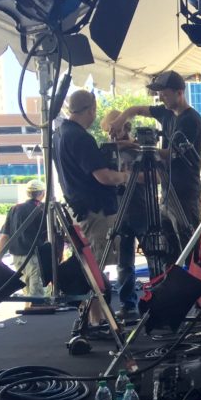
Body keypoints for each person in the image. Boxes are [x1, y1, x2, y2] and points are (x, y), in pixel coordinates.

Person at [53, 90, 131, 330]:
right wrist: (126, 176)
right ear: (90, 110)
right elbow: (104, 177)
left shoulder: (60, 135)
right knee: (95, 269)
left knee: (91, 265)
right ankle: (95, 319)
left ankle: (93, 317)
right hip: (95, 211)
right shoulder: (81, 138)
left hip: (80, 209)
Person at [108, 70, 201, 249]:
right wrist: (121, 119)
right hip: (167, 192)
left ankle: (193, 277)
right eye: (159, 94)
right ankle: (171, 275)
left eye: (165, 94)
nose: (161, 98)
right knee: (169, 248)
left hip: (185, 192)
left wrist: (140, 147)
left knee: (190, 246)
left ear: (179, 93)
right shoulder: (166, 113)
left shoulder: (190, 120)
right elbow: (136, 109)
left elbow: (171, 154)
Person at [101, 109, 148, 321]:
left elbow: (153, 177)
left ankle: (152, 302)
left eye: (114, 131)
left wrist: (128, 177)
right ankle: (129, 304)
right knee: (124, 263)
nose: (111, 136)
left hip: (141, 209)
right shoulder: (112, 153)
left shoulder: (139, 151)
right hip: (121, 212)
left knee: (152, 257)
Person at [0, 179, 47, 302]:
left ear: (28, 193)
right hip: (35, 256)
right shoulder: (42, 209)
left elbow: (4, 236)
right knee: (36, 296)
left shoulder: (14, 209)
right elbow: (49, 236)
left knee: (27, 293)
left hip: (17, 258)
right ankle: (35, 316)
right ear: (42, 193)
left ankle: (28, 314)